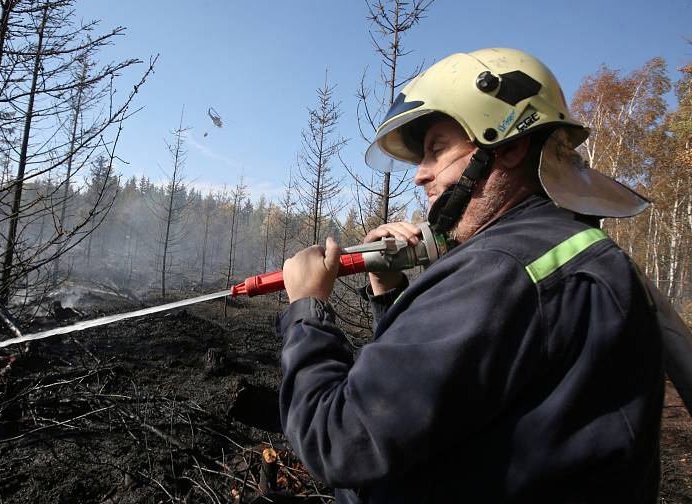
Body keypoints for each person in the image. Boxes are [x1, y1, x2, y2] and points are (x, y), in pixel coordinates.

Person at [277, 48, 664, 503]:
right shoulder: (565, 250)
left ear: (510, 145)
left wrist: (307, 309)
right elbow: (441, 397)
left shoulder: (502, 270)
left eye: (437, 149)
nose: (420, 176)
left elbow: (338, 439)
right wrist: (390, 294)